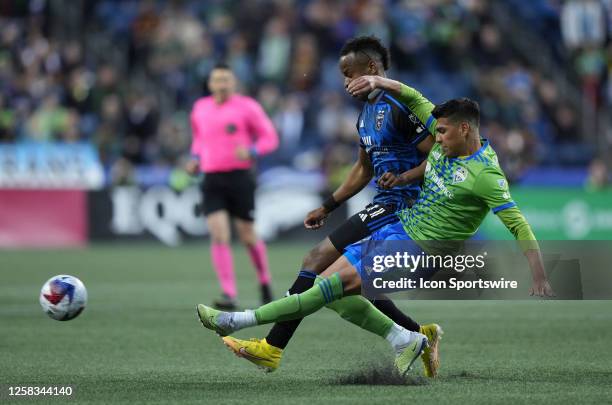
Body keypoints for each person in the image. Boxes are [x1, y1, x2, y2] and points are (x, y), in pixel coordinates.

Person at [197, 90, 555, 378]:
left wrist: (538, 273)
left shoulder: (486, 175)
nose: (436, 137)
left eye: (442, 132)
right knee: (329, 288)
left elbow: (518, 225)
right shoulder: (448, 147)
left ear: (465, 129)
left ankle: (238, 320)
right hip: (398, 231)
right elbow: (416, 101)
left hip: (420, 251)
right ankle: (406, 337)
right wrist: (401, 173)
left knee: (325, 289)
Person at [202, 35, 441, 377]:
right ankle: (417, 334)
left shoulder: (400, 106)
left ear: (372, 68)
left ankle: (272, 346)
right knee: (347, 283)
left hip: (407, 207)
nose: (345, 82)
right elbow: (363, 168)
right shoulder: (366, 113)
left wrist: (405, 179)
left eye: (350, 73)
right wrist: (329, 205)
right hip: (384, 203)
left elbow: (438, 155)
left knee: (317, 262)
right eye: (342, 75)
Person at [187, 63, 279, 309]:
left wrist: (252, 150)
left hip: (240, 177)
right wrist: (195, 159)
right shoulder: (200, 108)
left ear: (234, 82)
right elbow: (199, 139)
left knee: (247, 235)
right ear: (210, 84)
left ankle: (264, 281)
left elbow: (270, 138)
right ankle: (229, 293)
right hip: (211, 178)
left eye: (226, 79)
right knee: (219, 234)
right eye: (217, 80)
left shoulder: (248, 107)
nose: (222, 84)